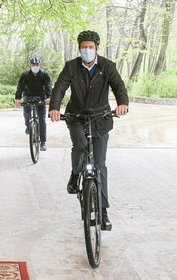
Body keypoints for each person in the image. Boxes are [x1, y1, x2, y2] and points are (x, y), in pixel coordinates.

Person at [49, 30, 129, 231]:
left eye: (90, 47)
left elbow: (119, 86)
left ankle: (103, 212)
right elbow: (59, 87)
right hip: (76, 117)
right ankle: (76, 174)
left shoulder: (107, 66)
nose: (87, 50)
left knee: (100, 164)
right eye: (84, 47)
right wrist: (54, 108)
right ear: (79, 48)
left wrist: (122, 104)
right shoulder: (71, 67)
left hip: (101, 118)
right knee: (81, 146)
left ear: (97, 48)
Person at [15, 57, 53, 151]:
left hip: (41, 97)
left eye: (37, 65)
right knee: (26, 112)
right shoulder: (25, 75)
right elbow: (20, 86)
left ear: (40, 65)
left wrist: (49, 97)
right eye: (33, 65)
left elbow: (48, 86)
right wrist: (17, 98)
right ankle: (28, 126)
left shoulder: (44, 74)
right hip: (28, 96)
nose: (35, 66)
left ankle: (43, 142)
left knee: (42, 120)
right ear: (30, 65)